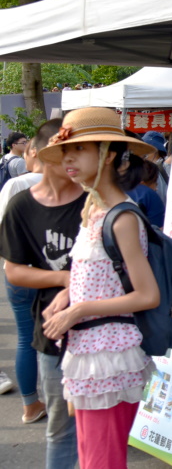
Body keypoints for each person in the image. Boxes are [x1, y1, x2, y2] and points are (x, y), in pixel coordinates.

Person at [37, 107, 160, 469]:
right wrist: (67, 295)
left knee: (100, 461)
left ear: (107, 155)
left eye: (79, 149)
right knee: (93, 458)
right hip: (89, 353)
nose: (68, 158)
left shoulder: (121, 216)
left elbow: (147, 295)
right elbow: (96, 276)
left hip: (108, 356)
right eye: (65, 151)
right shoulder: (95, 209)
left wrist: (78, 309)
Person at [0, 118, 85, 469]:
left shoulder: (96, 202)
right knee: (60, 428)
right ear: (44, 154)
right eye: (67, 154)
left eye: (80, 154)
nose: (74, 164)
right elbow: (14, 271)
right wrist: (66, 280)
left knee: (98, 428)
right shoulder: (22, 205)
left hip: (106, 334)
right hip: (52, 333)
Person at [0, 125, 49, 426]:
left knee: (25, 338)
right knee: (59, 337)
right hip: (56, 273)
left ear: (34, 151)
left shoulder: (15, 186)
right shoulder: (73, 183)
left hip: (18, 272)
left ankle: (31, 405)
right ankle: (64, 403)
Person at [140, 131, 169, 202]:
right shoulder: (148, 167)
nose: (143, 151)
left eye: (146, 147)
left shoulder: (166, 166)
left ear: (155, 150)